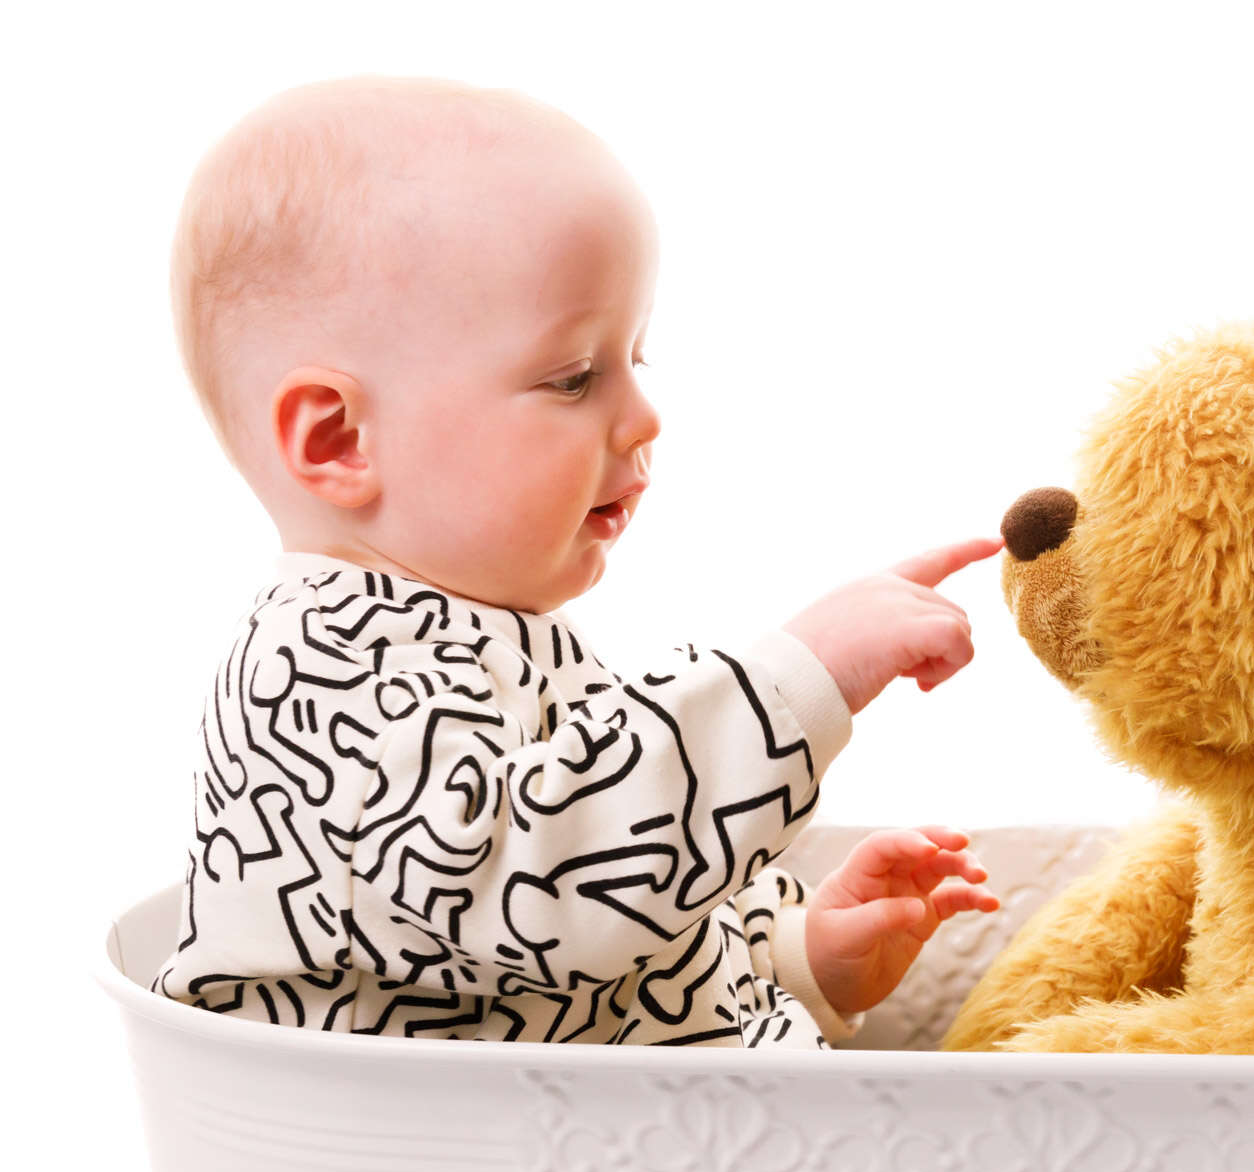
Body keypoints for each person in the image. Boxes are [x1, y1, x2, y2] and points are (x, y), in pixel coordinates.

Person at [150, 75, 1002, 1047]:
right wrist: (798, 679)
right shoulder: (321, 671)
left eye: (636, 356)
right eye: (574, 376)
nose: (643, 416)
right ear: (341, 439)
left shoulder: (482, 635)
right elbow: (541, 882)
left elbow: (606, 950)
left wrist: (799, 950)